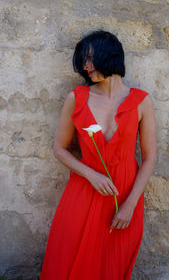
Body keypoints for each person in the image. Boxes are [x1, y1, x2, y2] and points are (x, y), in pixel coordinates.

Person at [39, 30, 156, 280]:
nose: (86, 66)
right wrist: (91, 175)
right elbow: (60, 149)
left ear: (110, 55)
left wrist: (130, 205)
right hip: (83, 190)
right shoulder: (77, 98)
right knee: (69, 260)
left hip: (124, 195)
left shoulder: (142, 102)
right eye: (83, 60)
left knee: (110, 264)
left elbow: (149, 158)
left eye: (91, 58)